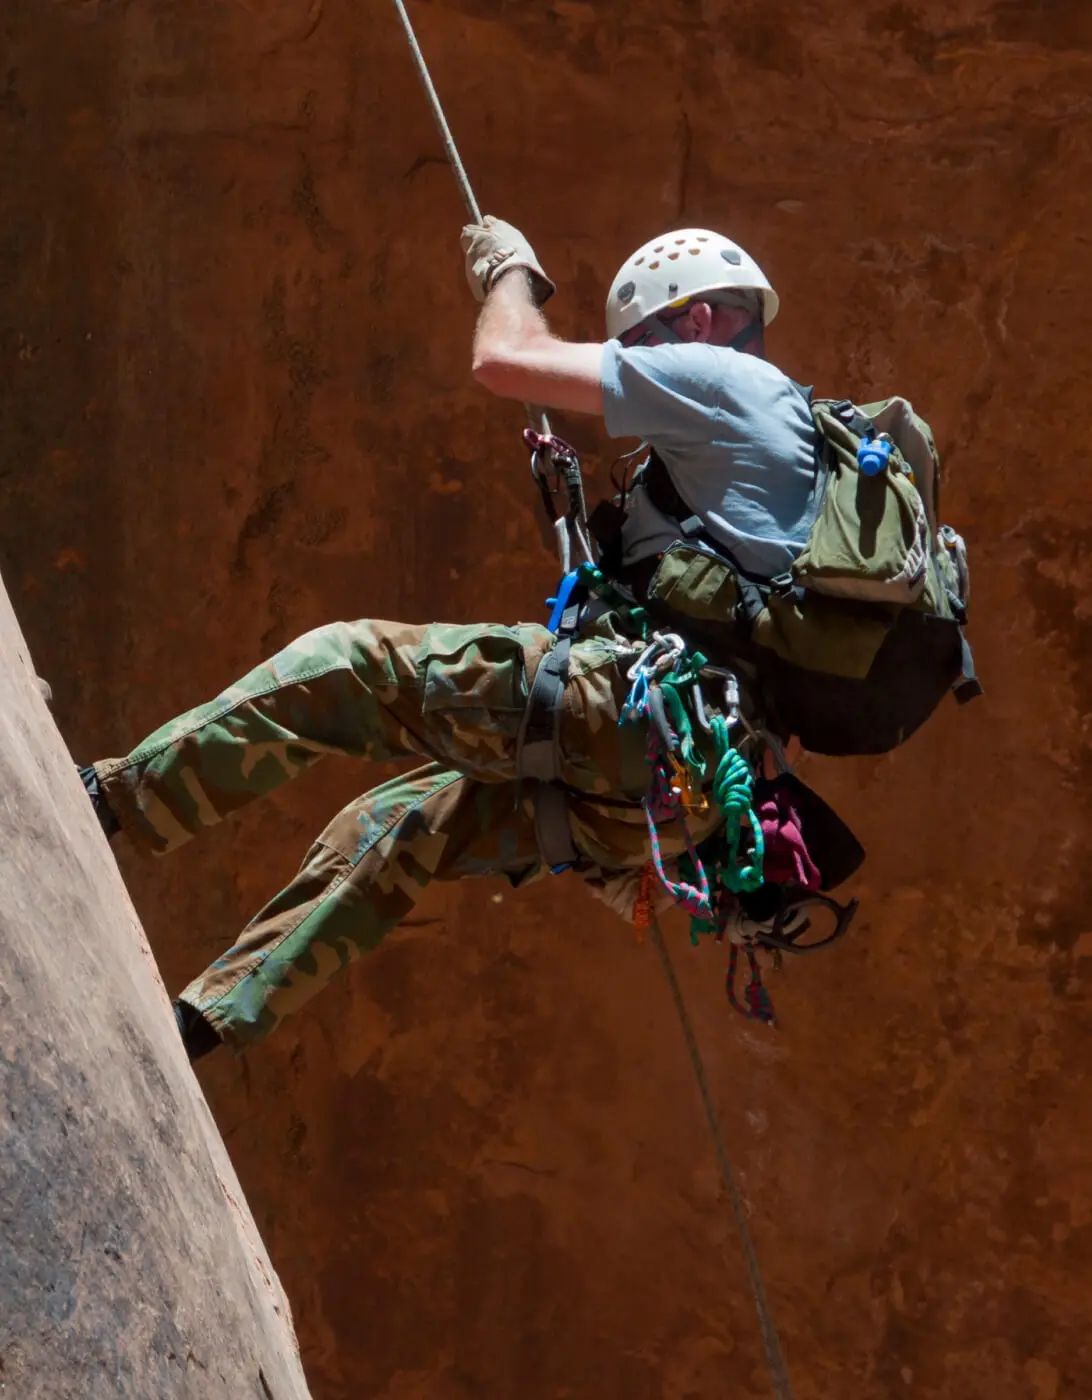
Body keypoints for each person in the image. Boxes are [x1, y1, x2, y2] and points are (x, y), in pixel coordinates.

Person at [81, 219, 827, 1060]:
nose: (646, 363)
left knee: (350, 667)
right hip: (678, 796)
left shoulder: (724, 378)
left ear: (695, 323)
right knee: (402, 825)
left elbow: (504, 360)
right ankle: (197, 1030)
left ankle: (102, 803)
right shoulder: (787, 447)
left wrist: (512, 278)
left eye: (647, 343)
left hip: (636, 723)